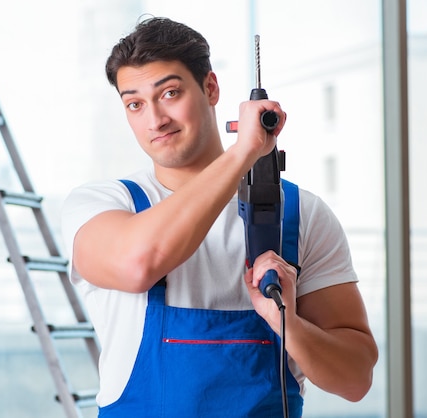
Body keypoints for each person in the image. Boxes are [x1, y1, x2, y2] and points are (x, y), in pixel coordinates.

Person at [61, 17, 378, 417]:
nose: (155, 119)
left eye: (170, 93)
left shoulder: (300, 214)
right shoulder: (103, 204)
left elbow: (354, 379)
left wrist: (288, 326)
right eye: (135, 104)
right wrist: (243, 152)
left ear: (210, 88)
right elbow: (140, 263)